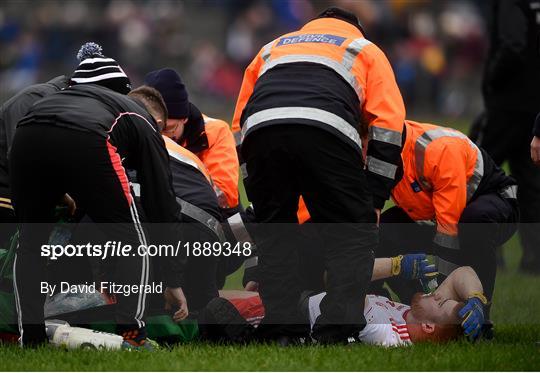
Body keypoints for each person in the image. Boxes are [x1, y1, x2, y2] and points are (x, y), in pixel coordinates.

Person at [231, 6, 406, 343]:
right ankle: (335, 332)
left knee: (276, 234)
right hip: (328, 128)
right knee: (351, 235)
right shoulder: (364, 48)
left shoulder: (273, 46)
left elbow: (240, 122)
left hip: (262, 131)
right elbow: (388, 126)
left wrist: (255, 182)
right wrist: (373, 198)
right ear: (356, 27)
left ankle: (281, 330)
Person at [9, 43, 186, 348]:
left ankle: (31, 337)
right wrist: (171, 278)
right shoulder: (137, 113)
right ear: (123, 90)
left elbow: (53, 140)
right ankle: (133, 334)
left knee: (30, 243)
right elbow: (162, 202)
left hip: (26, 135)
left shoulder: (54, 98)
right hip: (91, 138)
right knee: (133, 239)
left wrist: (59, 191)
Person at [376, 120, 518, 309]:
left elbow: (448, 231)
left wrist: (443, 299)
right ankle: (412, 308)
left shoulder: (437, 150)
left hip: (495, 201)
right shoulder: (382, 152)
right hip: (437, 214)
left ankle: (478, 316)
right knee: (380, 231)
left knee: (473, 224)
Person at [219, 265, 487, 345]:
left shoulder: (392, 338)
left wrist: (394, 264)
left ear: (428, 326)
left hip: (297, 315)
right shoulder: (412, 314)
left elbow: (349, 280)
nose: (436, 293)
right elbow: (461, 273)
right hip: (305, 300)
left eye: (439, 301)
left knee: (210, 306)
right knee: (219, 296)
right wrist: (476, 299)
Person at [128, 86, 222, 313]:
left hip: (166, 223)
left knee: (151, 305)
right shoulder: (188, 156)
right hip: (210, 231)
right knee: (204, 311)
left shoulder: (130, 138)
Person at [473, 0, 540, 274]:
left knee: (479, 174)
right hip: (533, 106)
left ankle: (485, 250)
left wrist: (491, 79)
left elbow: (512, 46)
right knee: (531, 185)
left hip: (507, 105)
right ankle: (534, 260)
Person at [144, 68, 240, 217]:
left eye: (168, 128)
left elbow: (224, 198)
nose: (163, 136)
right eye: (157, 128)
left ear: (184, 118)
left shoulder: (215, 132)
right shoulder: (140, 132)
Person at [0, 75, 70, 247]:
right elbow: (19, 154)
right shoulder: (36, 96)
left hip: (18, 195)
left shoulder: (57, 100)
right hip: (5, 194)